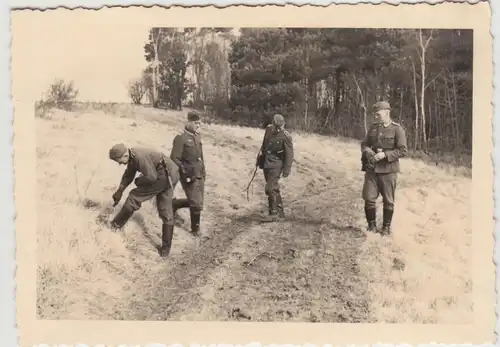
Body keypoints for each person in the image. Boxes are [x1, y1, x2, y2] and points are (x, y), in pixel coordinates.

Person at [108, 143, 180, 258]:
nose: (120, 164)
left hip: (164, 174)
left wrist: (138, 181)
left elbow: (151, 177)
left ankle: (115, 226)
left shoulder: (139, 157)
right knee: (164, 208)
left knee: (134, 197)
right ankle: (166, 250)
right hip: (171, 173)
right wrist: (120, 191)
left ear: (125, 155)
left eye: (119, 161)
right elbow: (128, 175)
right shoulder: (132, 156)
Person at [360, 101, 407, 235]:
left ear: (387, 113)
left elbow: (403, 150)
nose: (375, 117)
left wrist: (385, 155)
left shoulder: (397, 129)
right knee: (369, 198)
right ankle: (371, 227)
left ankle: (386, 228)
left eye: (378, 114)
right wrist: (368, 152)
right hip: (372, 169)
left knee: (388, 200)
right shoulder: (373, 128)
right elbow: (364, 144)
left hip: (388, 171)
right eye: (375, 114)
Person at [170, 110, 206, 235]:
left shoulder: (197, 136)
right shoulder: (181, 138)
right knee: (196, 203)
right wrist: (184, 174)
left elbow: (200, 156)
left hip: (199, 174)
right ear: (189, 122)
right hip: (188, 175)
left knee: (199, 202)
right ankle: (195, 230)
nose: (198, 125)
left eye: (200, 123)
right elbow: (175, 159)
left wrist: (203, 172)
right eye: (196, 123)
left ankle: (175, 204)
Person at [256, 113, 294, 222]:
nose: (278, 129)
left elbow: (289, 154)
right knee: (274, 188)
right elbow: (264, 145)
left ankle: (273, 213)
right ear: (273, 124)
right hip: (267, 164)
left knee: (269, 188)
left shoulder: (286, 136)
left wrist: (287, 169)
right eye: (277, 127)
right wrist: (260, 160)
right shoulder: (268, 129)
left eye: (280, 127)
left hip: (277, 164)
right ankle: (280, 212)